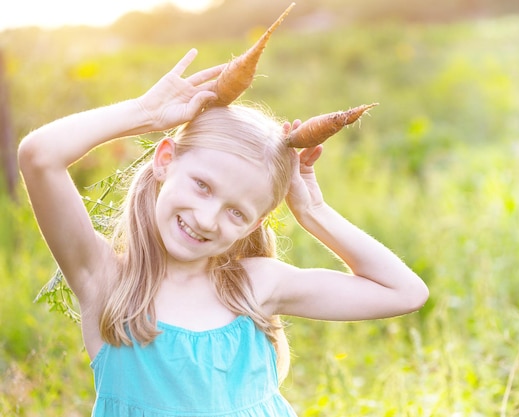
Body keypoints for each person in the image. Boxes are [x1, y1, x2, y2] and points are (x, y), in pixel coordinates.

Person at [18, 48, 428, 417]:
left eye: (236, 211)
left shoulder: (255, 285)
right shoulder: (107, 280)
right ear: (165, 160)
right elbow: (39, 156)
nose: (208, 219)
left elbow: (406, 293)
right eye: (202, 185)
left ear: (254, 224)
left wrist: (314, 212)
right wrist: (145, 112)